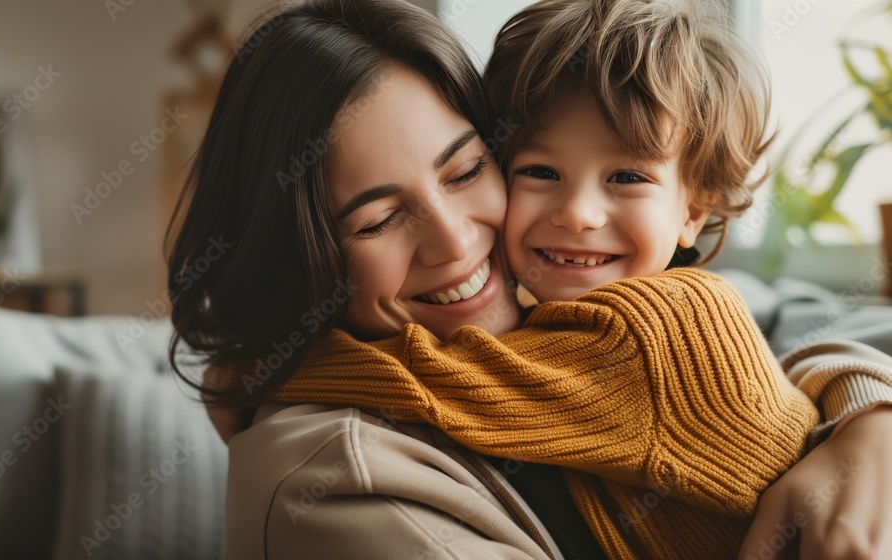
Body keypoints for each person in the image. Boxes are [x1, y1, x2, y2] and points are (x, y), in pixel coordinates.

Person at [166, 0, 892, 558]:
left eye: (465, 170)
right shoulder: (330, 477)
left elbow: (796, 327)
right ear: (296, 252)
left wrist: (870, 425)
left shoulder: (621, 309)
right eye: (378, 219)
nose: (455, 241)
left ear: (692, 212)